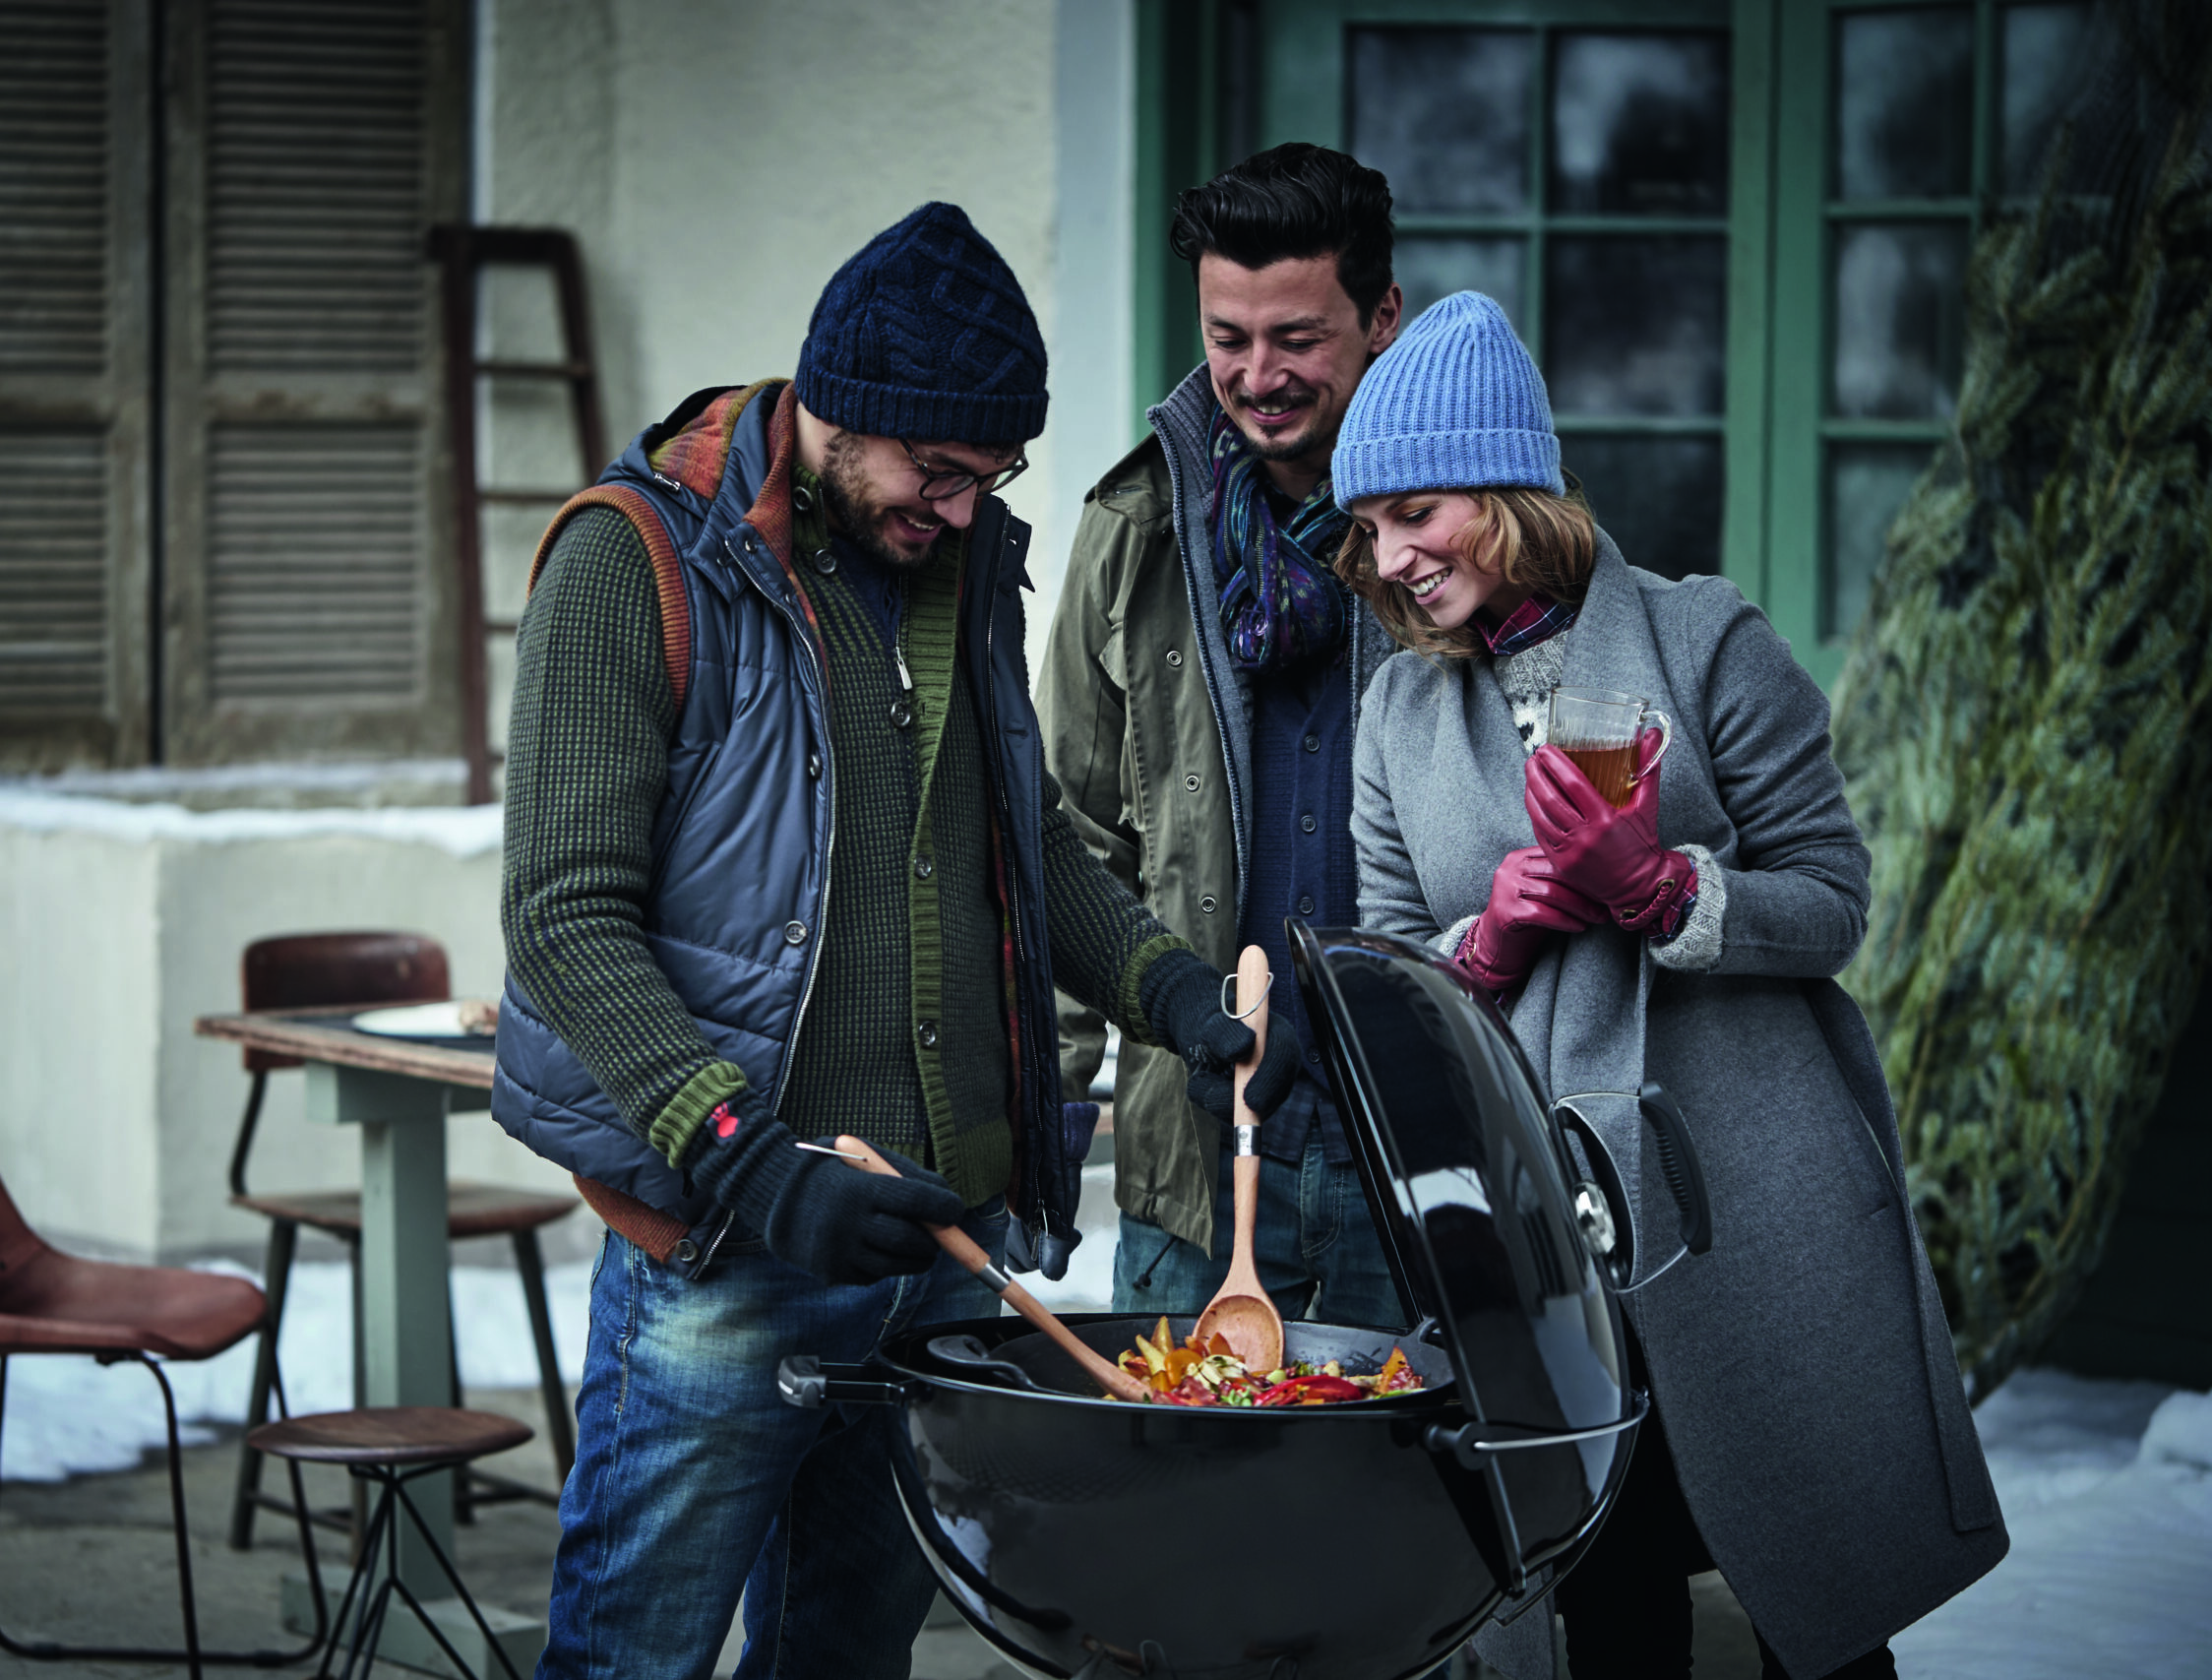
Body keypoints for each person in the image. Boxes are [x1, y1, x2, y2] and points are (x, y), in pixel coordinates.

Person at [490, 203, 1299, 1680]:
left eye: (991, 476)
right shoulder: (632, 565)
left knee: (849, 1654)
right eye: (936, 470)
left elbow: (1029, 836)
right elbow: (562, 919)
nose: (963, 505)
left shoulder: (962, 564)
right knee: (632, 1663)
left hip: (941, 1256)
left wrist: (1168, 984)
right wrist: (737, 1149)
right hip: (728, 1247)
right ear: (835, 408)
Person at [1331, 291, 2007, 1680]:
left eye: (1421, 512)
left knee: (1816, 1601)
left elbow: (1833, 901)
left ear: (1514, 492)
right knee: (1609, 1588)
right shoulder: (1399, 710)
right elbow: (1395, 969)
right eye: (1371, 527)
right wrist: (1497, 938)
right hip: (1551, 1230)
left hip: (1755, 1202)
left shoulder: (1708, 643)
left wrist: (1666, 891)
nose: (1392, 559)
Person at [1039, 144, 1407, 1328]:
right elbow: (1066, 843)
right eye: (1226, 337)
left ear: (1381, 317)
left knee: (1407, 1510)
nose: (1258, 375)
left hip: (1417, 1161)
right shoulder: (1131, 528)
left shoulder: (1465, 535)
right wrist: (1049, 1118)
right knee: (1182, 1510)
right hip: (1188, 1170)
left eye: (1296, 337)